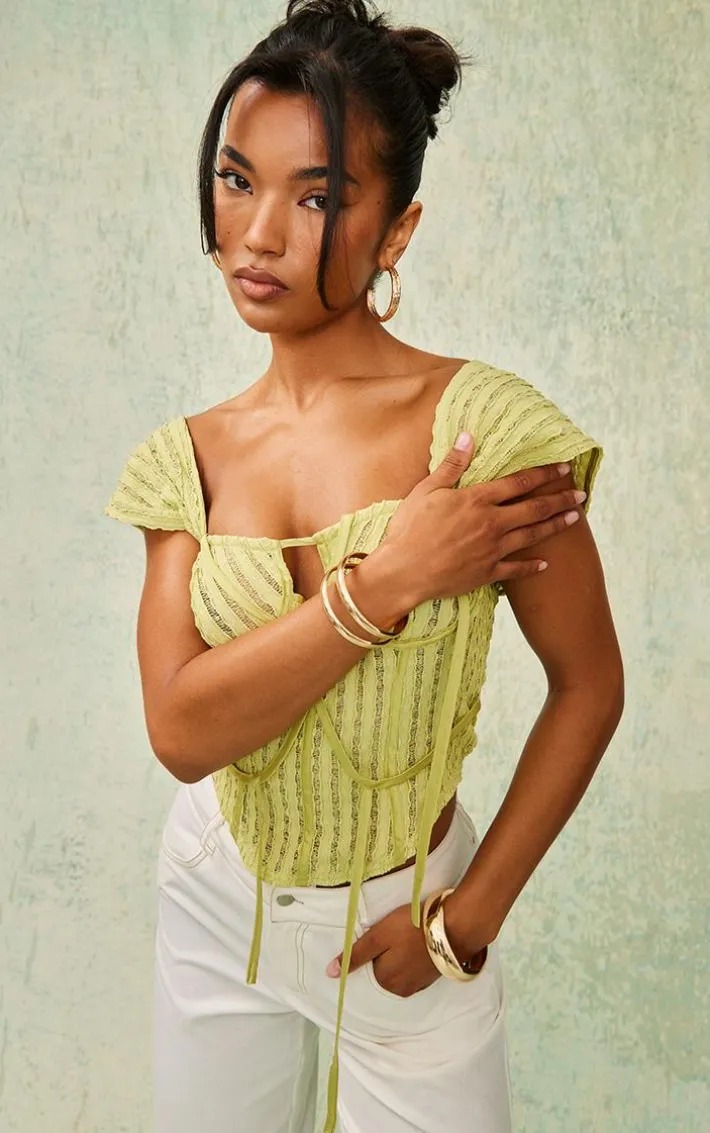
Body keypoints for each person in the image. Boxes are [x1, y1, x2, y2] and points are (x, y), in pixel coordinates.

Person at [104, 1, 624, 1130]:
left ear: (397, 229)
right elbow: (181, 730)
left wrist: (463, 922)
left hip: (408, 917)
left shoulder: (486, 432)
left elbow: (589, 685)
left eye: (317, 197)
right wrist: (385, 581)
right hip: (215, 898)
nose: (256, 235)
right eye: (236, 180)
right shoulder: (183, 460)